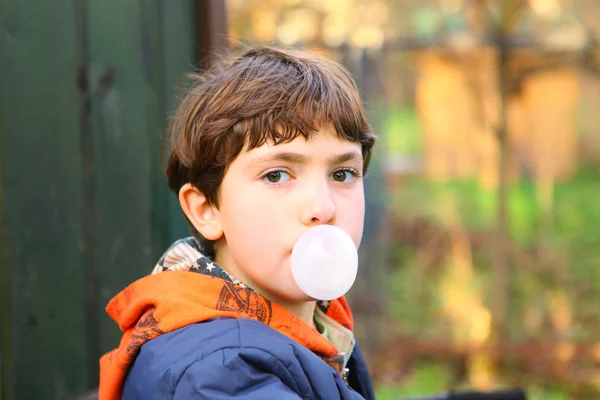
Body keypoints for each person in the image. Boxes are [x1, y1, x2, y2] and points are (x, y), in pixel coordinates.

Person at [98, 45, 377, 400]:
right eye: (276, 175)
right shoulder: (220, 371)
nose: (322, 207)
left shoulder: (321, 324)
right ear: (206, 210)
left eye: (343, 173)